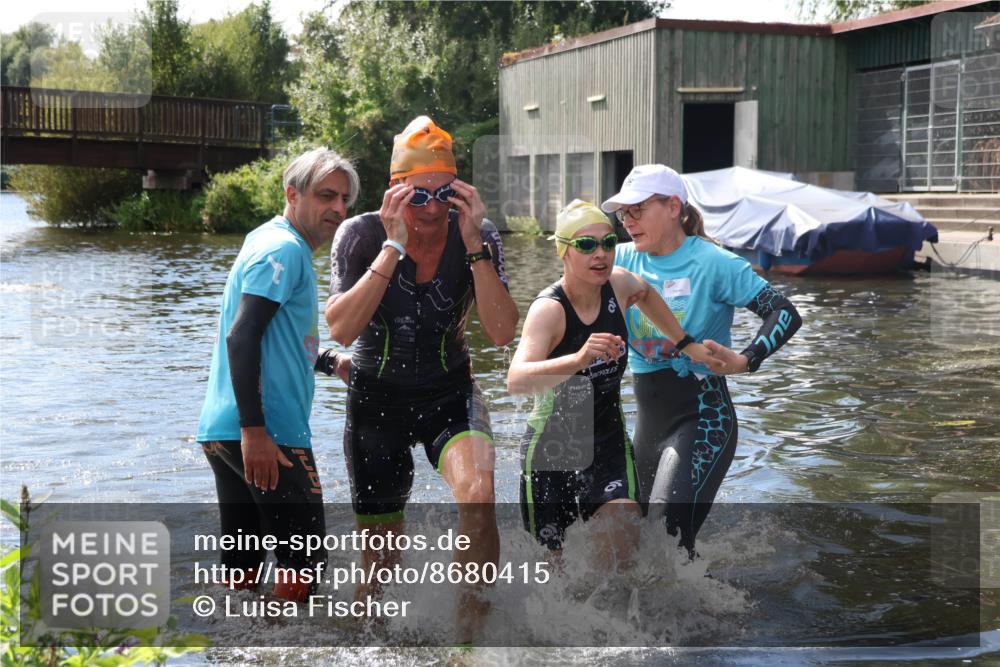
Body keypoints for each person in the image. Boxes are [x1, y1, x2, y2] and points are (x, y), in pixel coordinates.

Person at [325, 116, 519, 641]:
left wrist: (475, 241)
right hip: (376, 403)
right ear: (394, 192)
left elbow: (501, 333)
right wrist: (393, 246)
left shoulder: (477, 233)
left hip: (449, 392)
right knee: (379, 566)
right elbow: (341, 329)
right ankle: (368, 646)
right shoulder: (360, 234)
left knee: (479, 495)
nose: (432, 210)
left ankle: (467, 642)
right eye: (418, 196)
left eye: (444, 194)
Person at [601, 164, 802, 560]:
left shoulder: (714, 263)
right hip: (648, 423)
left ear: (673, 206)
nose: (628, 222)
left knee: (665, 539)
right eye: (623, 213)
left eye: (638, 210)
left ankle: (711, 617)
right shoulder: (616, 262)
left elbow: (784, 312)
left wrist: (746, 359)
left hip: (704, 418)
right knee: (631, 537)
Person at [507, 200, 722, 569]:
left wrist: (686, 344)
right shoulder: (550, 310)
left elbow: (647, 295)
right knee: (551, 573)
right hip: (553, 447)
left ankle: (619, 623)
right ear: (564, 251)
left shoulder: (619, 284)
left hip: (606, 440)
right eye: (586, 245)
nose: (601, 254)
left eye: (608, 242)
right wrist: (577, 360)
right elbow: (517, 380)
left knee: (625, 535)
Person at [196, 148, 360, 602]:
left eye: (344, 199)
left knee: (243, 566)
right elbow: (241, 337)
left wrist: (329, 362)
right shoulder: (285, 251)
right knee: (304, 564)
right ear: (293, 194)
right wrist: (256, 431)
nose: (338, 209)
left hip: (221, 431)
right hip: (269, 434)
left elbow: (274, 338)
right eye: (326, 196)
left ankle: (235, 645)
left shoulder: (265, 238)